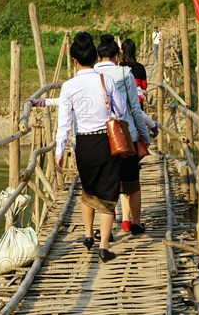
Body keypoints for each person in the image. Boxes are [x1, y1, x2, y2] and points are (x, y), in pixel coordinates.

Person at [54, 32, 126, 263]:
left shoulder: (68, 86)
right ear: (95, 57)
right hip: (107, 141)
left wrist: (59, 151)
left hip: (84, 144)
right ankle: (104, 247)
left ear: (74, 60)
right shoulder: (107, 81)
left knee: (88, 190)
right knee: (108, 194)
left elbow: (64, 123)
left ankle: (87, 235)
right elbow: (121, 112)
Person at [94, 34, 151, 236]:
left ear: (99, 56)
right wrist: (146, 137)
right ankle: (135, 223)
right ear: (117, 55)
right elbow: (135, 109)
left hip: (100, 136)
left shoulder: (91, 74)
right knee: (132, 184)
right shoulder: (125, 73)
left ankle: (106, 230)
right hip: (126, 136)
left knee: (105, 185)